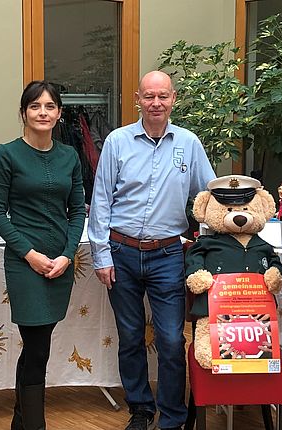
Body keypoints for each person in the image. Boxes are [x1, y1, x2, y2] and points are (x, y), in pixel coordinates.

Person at [89, 70, 216, 430]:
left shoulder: (189, 143)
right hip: (121, 253)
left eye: (162, 96)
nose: (156, 103)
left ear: (173, 98)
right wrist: (101, 255)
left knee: (172, 340)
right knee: (130, 337)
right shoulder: (117, 141)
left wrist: (217, 241)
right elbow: (101, 201)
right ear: (137, 99)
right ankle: (141, 410)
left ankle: (173, 417)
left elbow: (208, 196)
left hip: (169, 256)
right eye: (149, 96)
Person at [0, 80, 85, 430]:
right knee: (37, 344)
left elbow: (77, 212)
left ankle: (20, 421)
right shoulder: (7, 154)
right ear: (24, 113)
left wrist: (67, 255)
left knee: (36, 346)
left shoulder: (69, 156)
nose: (42, 112)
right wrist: (29, 254)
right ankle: (35, 425)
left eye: (49, 106)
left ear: (59, 114)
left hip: (60, 264)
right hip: (25, 264)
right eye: (35, 106)